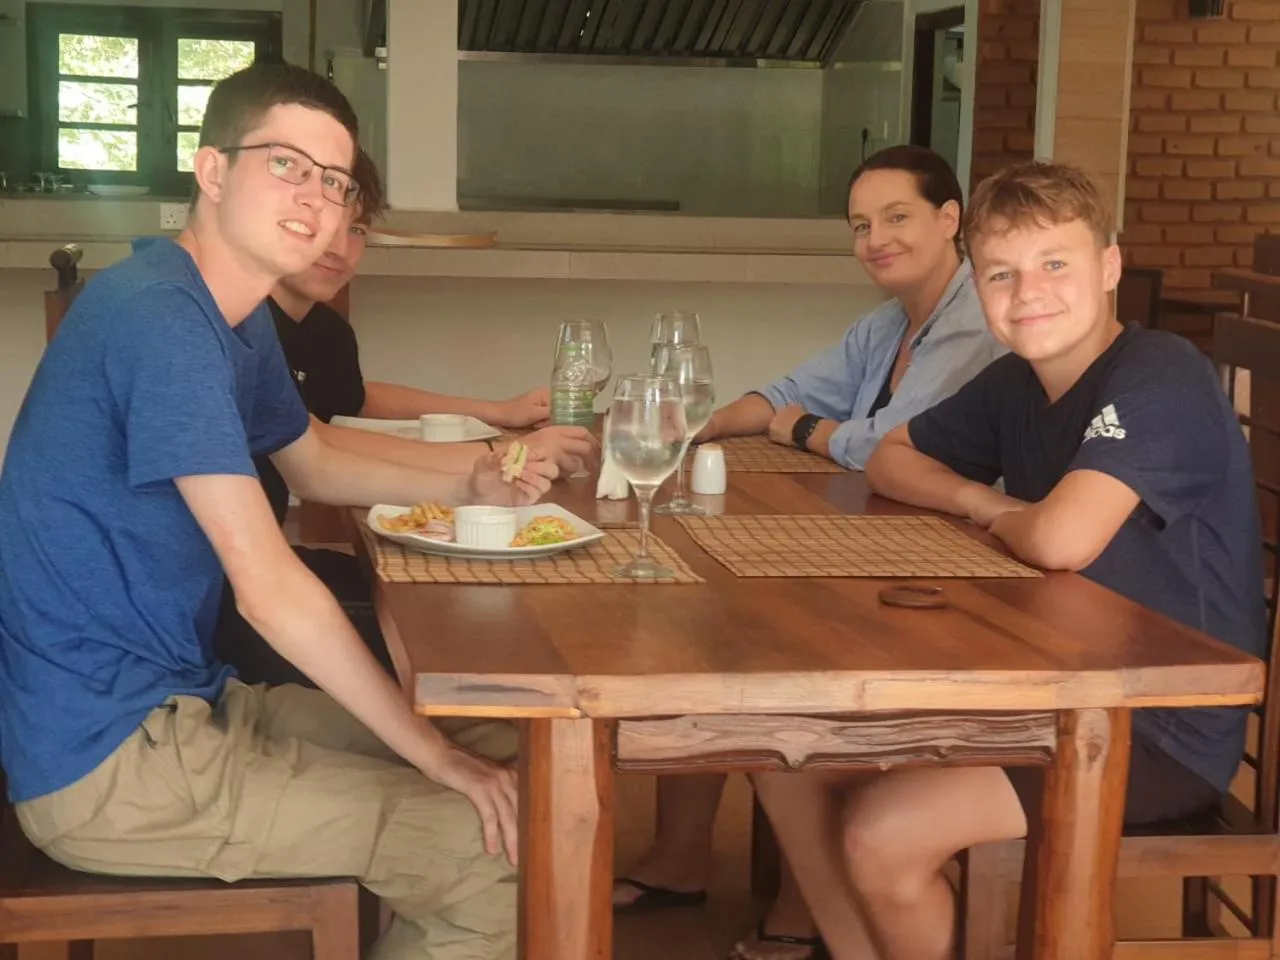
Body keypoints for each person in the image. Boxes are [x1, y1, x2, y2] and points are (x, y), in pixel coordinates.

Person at [0, 62, 546, 960]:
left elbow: (318, 457)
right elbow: (269, 592)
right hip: (106, 762)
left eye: (335, 183)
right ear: (212, 172)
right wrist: (431, 759)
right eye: (286, 165)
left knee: (504, 736)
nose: (321, 203)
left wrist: (472, 479)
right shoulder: (161, 320)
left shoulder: (231, 312)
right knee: (484, 847)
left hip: (185, 703)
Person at [750, 160, 1265, 960]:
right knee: (784, 759)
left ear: (1109, 267)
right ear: (979, 285)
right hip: (1038, 684)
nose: (1029, 293)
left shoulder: (1159, 376)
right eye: (1002, 273)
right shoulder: (1016, 384)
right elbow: (894, 457)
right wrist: (988, 505)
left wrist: (1022, 519)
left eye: (1055, 263)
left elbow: (1063, 540)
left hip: (1149, 726)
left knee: (884, 834)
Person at [615, 145, 1006, 960]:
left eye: (896, 217)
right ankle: (704, 866)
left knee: (756, 660)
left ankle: (800, 908)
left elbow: (885, 444)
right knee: (709, 622)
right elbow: (792, 392)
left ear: (950, 220)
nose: (875, 239)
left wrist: (798, 430)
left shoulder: (974, 322)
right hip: (884, 541)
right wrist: (694, 424)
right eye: (861, 225)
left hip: (952, 574)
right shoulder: (889, 321)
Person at [215, 146, 599, 689]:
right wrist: (490, 459)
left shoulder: (318, 330)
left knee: (468, 602)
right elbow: (318, 446)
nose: (338, 247)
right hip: (218, 600)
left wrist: (497, 418)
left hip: (251, 570)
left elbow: (353, 400)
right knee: (481, 645)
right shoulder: (242, 326)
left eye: (358, 231)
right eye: (324, 220)